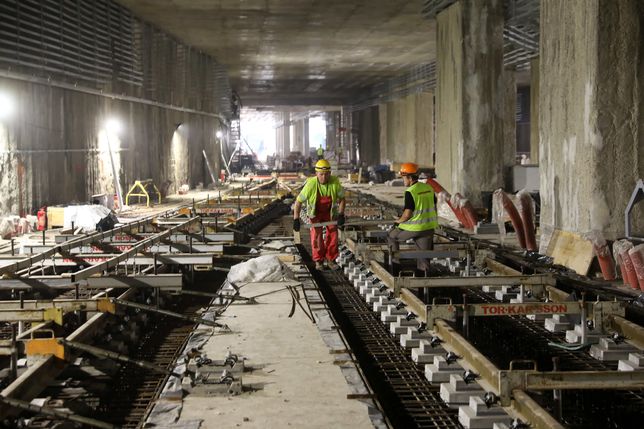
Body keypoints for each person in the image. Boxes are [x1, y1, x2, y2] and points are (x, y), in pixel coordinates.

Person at [293, 159, 346, 270]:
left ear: (330, 173)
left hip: (330, 213)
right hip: (315, 214)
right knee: (316, 237)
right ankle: (319, 261)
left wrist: (341, 214)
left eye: (326, 174)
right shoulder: (310, 184)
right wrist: (296, 219)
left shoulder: (334, 182)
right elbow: (298, 202)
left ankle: (331, 259)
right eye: (321, 174)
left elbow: (342, 199)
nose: (324, 177)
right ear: (316, 173)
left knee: (333, 236)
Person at [387, 162, 438, 272]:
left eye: (403, 177)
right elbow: (433, 204)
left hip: (415, 228)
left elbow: (407, 215)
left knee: (392, 236)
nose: (403, 180)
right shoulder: (428, 188)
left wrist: (397, 222)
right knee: (423, 258)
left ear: (409, 177)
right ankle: (423, 286)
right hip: (429, 228)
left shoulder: (410, 192)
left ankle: (395, 267)